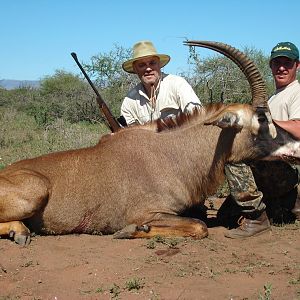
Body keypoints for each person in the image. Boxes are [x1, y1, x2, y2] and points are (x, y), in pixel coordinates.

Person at [222, 41, 300, 239]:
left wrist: (267, 121)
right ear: (271, 65)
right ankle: (286, 202)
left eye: (287, 63)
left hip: (287, 166)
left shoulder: (297, 92)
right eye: (277, 63)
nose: (281, 68)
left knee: (234, 158)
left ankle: (257, 218)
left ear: (297, 66)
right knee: (225, 217)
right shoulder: (274, 97)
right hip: (270, 163)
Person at [120, 40, 202, 126]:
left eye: (152, 63)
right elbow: (127, 134)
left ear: (159, 64)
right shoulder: (129, 101)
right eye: (142, 65)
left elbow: (198, 118)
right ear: (135, 69)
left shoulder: (177, 84)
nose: (148, 69)